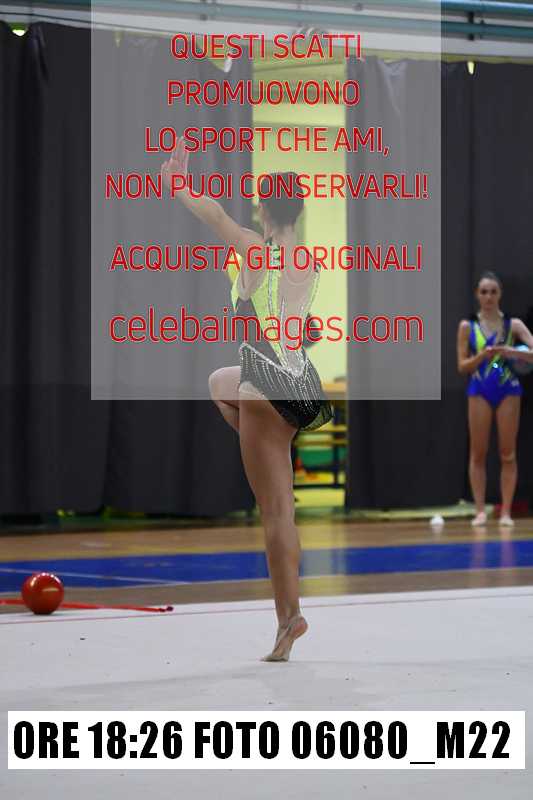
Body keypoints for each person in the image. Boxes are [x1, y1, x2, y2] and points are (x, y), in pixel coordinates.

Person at [162, 139, 333, 661]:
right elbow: (296, 328)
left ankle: (288, 620)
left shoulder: (255, 249)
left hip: (264, 385)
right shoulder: (309, 261)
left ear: (263, 209)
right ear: (299, 209)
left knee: (275, 514)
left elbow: (213, 213)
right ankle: (266, 449)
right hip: (298, 383)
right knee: (219, 382)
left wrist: (179, 184)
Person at [457, 271, 533, 527]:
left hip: (508, 390)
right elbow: (462, 366)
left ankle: (506, 512)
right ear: (477, 295)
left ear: (500, 294)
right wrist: (482, 356)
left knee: (507, 454)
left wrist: (512, 352)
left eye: (493, 292)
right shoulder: (467, 327)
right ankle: (480, 511)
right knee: (478, 453)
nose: (488, 297)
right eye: (484, 292)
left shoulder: (514, 325)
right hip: (479, 390)